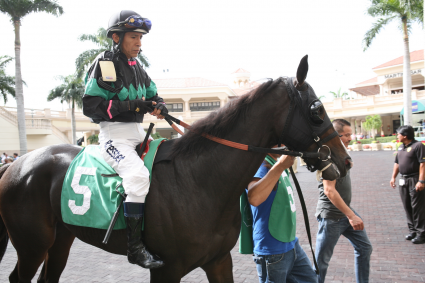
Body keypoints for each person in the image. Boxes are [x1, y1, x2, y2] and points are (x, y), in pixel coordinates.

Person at [82, 10, 168, 269]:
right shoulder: (106, 64)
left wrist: (159, 105)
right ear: (117, 38)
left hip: (138, 134)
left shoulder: (138, 67)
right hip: (113, 137)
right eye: (133, 37)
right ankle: (135, 248)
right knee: (138, 177)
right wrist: (137, 105)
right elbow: (92, 106)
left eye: (141, 38)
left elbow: (153, 94)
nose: (139, 43)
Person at [246, 149, 317, 283]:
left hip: (290, 242)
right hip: (272, 248)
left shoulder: (274, 163)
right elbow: (254, 198)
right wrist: (280, 166)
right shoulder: (259, 165)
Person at [315, 119, 372, 283]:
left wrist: (349, 214)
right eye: (346, 135)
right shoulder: (328, 157)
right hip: (331, 216)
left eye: (350, 134)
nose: (350, 138)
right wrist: (351, 215)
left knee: (364, 248)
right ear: (335, 135)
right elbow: (329, 190)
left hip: (345, 212)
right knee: (322, 261)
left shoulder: (341, 153)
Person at [390, 125, 425, 244]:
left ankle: (422, 233)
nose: (397, 136)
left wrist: (421, 181)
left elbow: (423, 164)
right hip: (403, 180)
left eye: (398, 134)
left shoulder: (418, 146)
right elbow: (397, 163)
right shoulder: (400, 147)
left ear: (405, 135)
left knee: (417, 207)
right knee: (407, 205)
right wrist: (393, 177)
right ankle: (413, 231)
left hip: (414, 179)